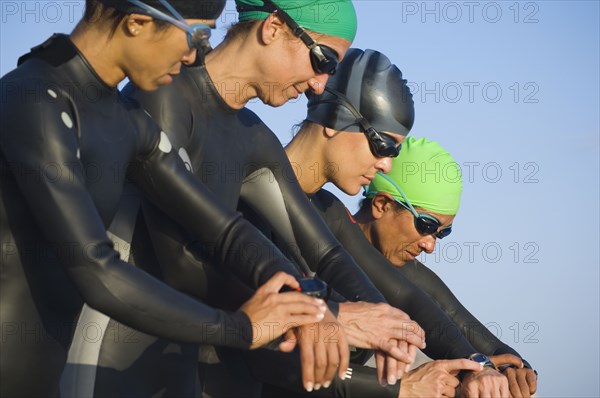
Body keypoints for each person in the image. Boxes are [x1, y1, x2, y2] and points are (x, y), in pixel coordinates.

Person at [65, 1, 425, 396]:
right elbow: (181, 264)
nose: (320, 85)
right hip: (106, 359)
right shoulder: (165, 95)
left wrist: (388, 325)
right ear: (273, 28)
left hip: (179, 371)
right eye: (323, 60)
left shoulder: (254, 137)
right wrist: (323, 313)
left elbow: (327, 253)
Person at [0, 1, 332, 396]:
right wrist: (240, 328)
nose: (195, 55)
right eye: (196, 36)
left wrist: (305, 303)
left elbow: (224, 230)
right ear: (138, 22)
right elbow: (96, 271)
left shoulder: (126, 119)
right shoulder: (35, 99)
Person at [253, 48, 524, 397]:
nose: (385, 165)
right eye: (382, 145)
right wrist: (399, 388)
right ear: (336, 119)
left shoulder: (328, 212)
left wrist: (477, 365)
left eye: (393, 153)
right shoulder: (253, 187)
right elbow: (252, 352)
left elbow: (407, 295)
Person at [356, 139, 538, 397]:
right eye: (426, 225)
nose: (430, 246)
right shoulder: (321, 241)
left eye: (442, 233)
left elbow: (456, 317)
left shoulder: (401, 267)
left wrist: (513, 367)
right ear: (382, 205)